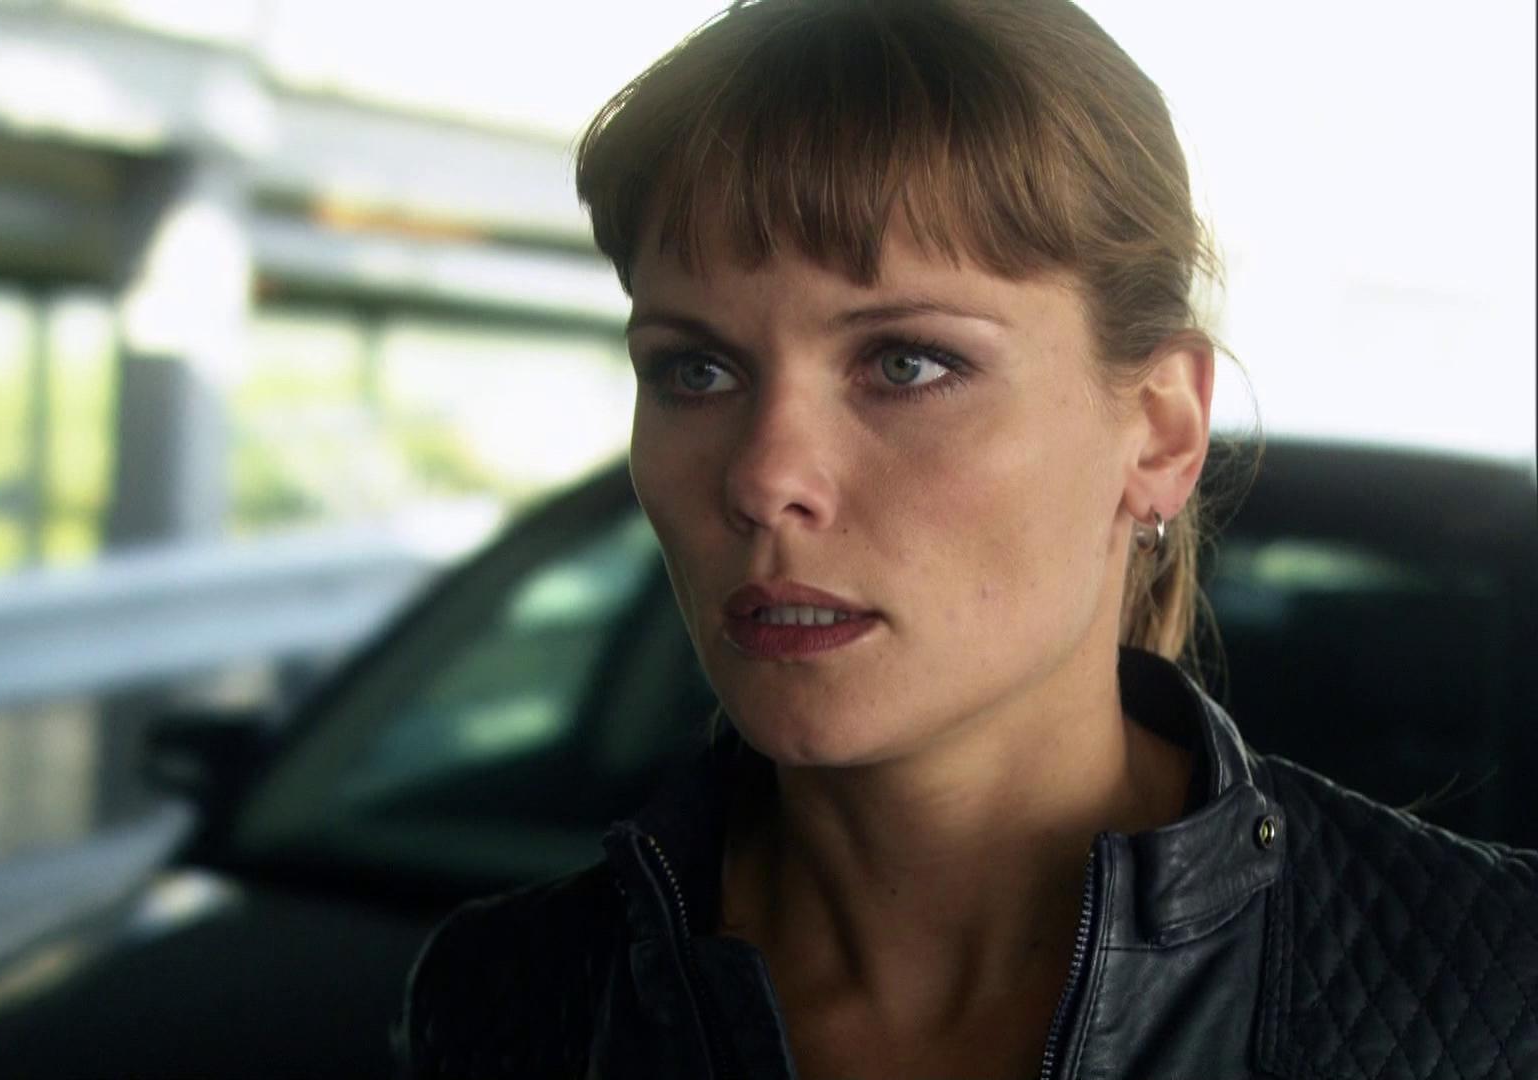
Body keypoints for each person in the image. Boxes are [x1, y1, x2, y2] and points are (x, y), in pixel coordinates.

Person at [393, 1, 1538, 1076]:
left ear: (1161, 431)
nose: (766, 478)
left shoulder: (1493, 992)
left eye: (907, 363)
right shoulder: (513, 1003)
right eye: (696, 370)